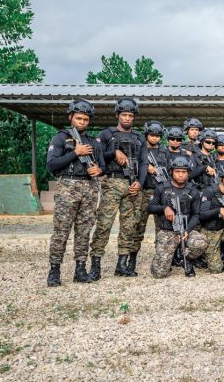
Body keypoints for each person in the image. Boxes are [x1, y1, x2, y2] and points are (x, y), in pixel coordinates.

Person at [45, 99, 105, 287]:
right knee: (61, 231)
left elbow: (102, 165)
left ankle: (80, 269)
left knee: (84, 231)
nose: (82, 122)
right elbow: (52, 165)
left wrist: (99, 170)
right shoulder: (60, 138)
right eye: (79, 118)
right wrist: (75, 153)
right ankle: (54, 270)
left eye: (86, 119)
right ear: (71, 117)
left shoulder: (93, 142)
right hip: (68, 187)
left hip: (89, 188)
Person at [89, 97, 148, 279]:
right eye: (124, 114)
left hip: (132, 185)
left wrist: (140, 182)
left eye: (131, 115)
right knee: (104, 224)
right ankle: (96, 265)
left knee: (129, 226)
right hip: (112, 183)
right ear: (117, 115)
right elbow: (97, 158)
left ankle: (122, 265)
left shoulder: (139, 138)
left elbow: (144, 163)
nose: (128, 118)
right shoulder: (106, 134)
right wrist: (113, 152)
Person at [147, 155, 208, 278]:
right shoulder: (162, 188)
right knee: (158, 274)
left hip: (185, 230)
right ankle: (170, 257)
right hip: (168, 231)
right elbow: (149, 208)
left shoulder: (193, 191)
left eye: (184, 172)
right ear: (171, 172)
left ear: (188, 173)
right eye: (177, 172)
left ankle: (186, 258)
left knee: (201, 242)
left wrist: (187, 230)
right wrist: (164, 208)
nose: (181, 175)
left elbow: (196, 215)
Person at [132, 121, 169, 270]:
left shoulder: (164, 151)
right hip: (144, 192)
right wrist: (145, 168)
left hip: (160, 192)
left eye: (157, 136)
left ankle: (161, 260)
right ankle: (131, 260)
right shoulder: (139, 150)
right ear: (146, 134)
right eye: (152, 135)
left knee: (162, 228)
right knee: (138, 226)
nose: (155, 138)